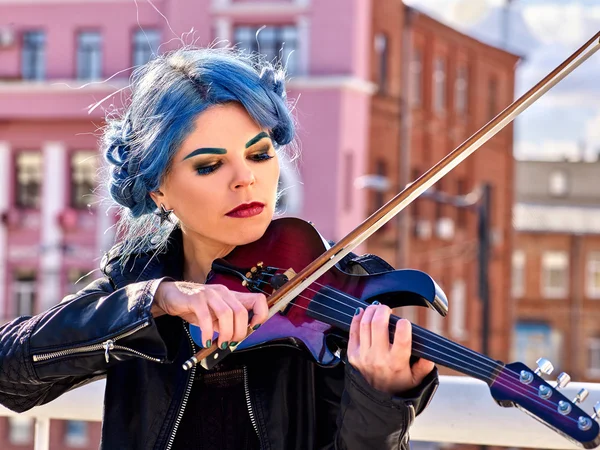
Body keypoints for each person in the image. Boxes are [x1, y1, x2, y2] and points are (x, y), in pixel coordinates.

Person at [0, 46, 438, 450]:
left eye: (260, 155)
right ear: (158, 190)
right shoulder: (137, 281)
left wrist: (380, 399)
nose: (245, 179)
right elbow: (9, 370)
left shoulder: (341, 291)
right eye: (210, 165)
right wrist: (157, 301)